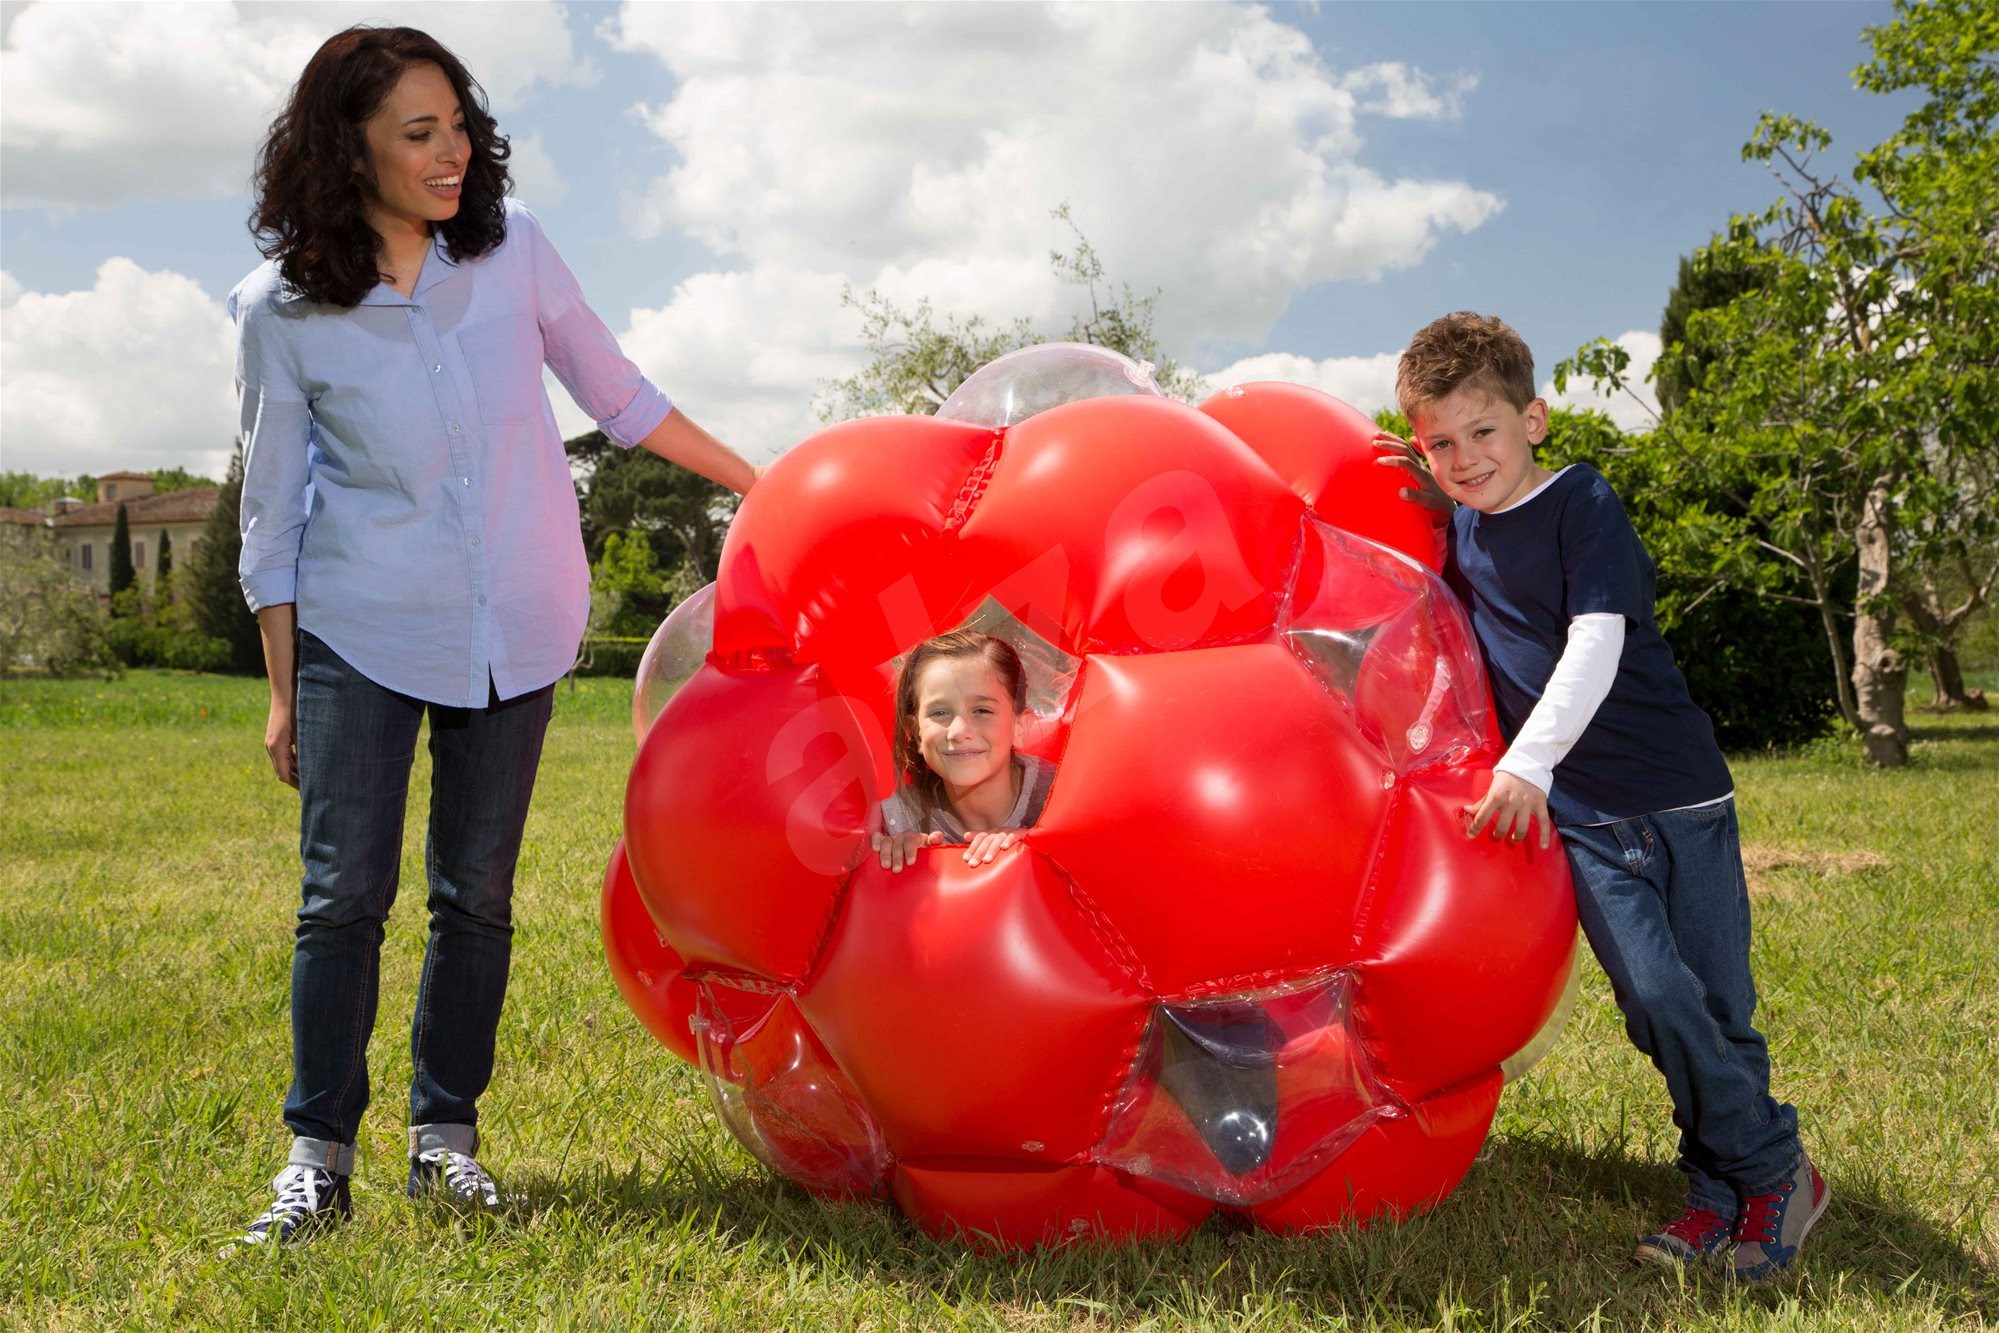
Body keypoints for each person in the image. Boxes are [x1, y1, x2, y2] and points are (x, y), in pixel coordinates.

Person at [229, 25, 759, 1247]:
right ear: (345, 149)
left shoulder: (514, 255)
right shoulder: (284, 307)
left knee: (476, 897)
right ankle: (317, 1159)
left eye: (458, 125)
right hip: (361, 629)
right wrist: (279, 689)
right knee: (341, 899)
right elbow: (272, 517)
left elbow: (621, 398)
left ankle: (445, 1143)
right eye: (419, 134)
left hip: (516, 625)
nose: (452, 152)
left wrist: (763, 484)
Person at [1377, 312, 1824, 1280]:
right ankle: (1770, 1168)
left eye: (1482, 432)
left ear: (1533, 418)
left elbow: (1596, 639)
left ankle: (1727, 1192)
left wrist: (1526, 763)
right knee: (1657, 999)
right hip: (1580, 823)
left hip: (1677, 795)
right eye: (1439, 442)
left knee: (1718, 1004)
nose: (1463, 458)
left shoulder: (1583, 501)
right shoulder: (1459, 530)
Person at [872, 631, 1279, 1178]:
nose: (959, 731)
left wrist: (1038, 850)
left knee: (1205, 1067)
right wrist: (893, 864)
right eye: (938, 712)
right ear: (914, 732)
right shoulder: (902, 818)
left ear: (1019, 723)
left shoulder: (1062, 794)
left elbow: (1131, 891)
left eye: (982, 709)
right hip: (985, 1017)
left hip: (1088, 994)